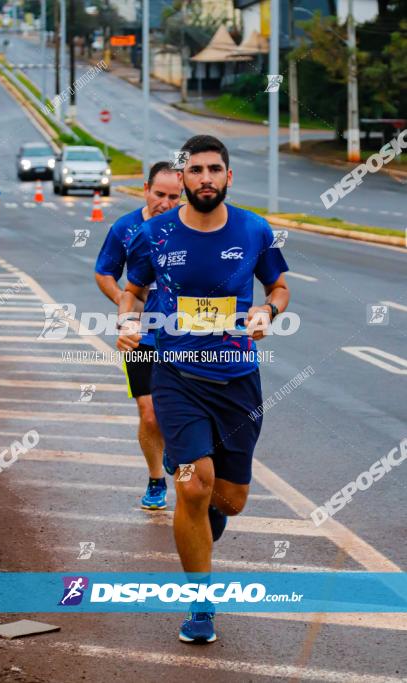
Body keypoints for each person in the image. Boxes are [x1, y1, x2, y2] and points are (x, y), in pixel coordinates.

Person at [117, 135, 290, 643]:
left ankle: (206, 510)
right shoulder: (156, 234)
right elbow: (133, 290)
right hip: (177, 376)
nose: (206, 178)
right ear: (184, 177)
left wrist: (268, 310)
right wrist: (128, 321)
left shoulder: (255, 230)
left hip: (237, 378)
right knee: (192, 483)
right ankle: (200, 602)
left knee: (230, 500)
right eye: (196, 171)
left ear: (228, 177)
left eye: (215, 169)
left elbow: (279, 285)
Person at [95, 161, 182, 510]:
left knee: (176, 411)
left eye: (174, 197)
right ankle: (156, 479)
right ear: (146, 188)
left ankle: (178, 450)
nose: (165, 202)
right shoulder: (125, 227)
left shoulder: (189, 228)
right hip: (142, 337)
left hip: (181, 337)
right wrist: (127, 306)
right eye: (159, 194)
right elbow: (104, 274)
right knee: (148, 412)